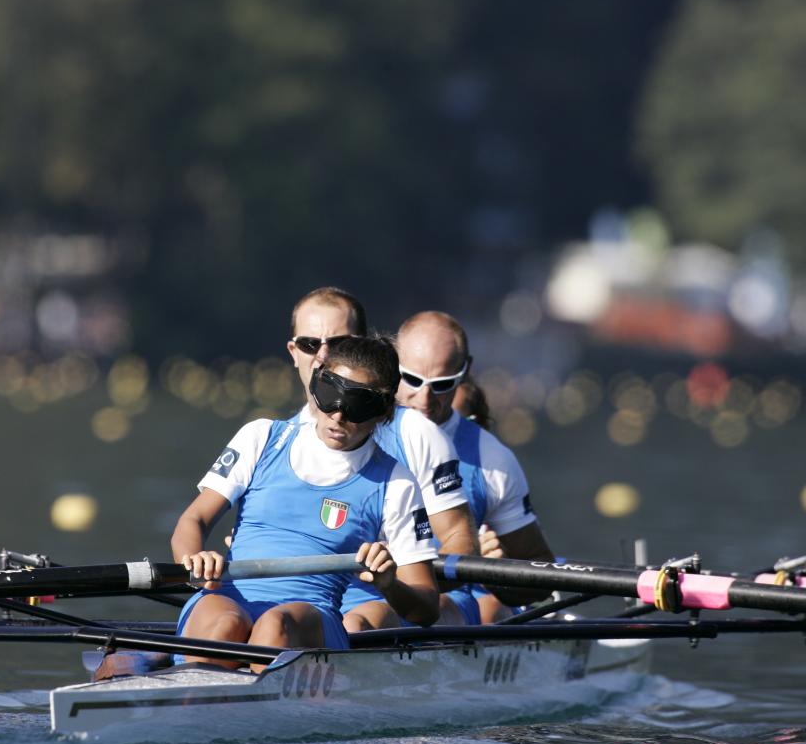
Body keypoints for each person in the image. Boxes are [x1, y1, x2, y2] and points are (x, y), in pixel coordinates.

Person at [172, 335, 440, 669]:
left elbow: (426, 609)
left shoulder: (396, 482)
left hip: (311, 618)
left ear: (383, 412)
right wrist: (194, 559)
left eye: (357, 405)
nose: (338, 415)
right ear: (315, 385)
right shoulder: (262, 437)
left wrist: (389, 584)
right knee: (224, 625)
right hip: (229, 597)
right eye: (330, 394)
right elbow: (192, 522)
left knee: (275, 625)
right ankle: (192, 701)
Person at [285, 287, 481, 630]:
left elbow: (460, 542)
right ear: (294, 350)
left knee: (352, 625)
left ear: (363, 347)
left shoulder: (418, 433)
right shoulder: (274, 437)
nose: (322, 356)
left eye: (339, 343)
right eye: (310, 344)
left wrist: (404, 574)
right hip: (300, 599)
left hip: (383, 603)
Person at [344, 311, 555, 627]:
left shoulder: (492, 459)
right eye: (411, 380)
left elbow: (543, 575)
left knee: (484, 610)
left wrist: (496, 575)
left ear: (465, 371)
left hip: (440, 605)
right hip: (345, 594)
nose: (424, 399)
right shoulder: (349, 425)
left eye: (441, 385)